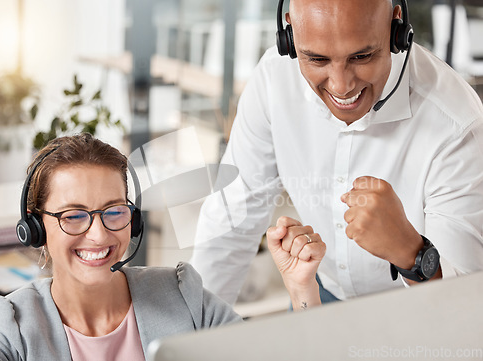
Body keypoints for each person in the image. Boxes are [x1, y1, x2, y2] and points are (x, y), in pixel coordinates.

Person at [190, 0, 483, 305]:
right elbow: (232, 216)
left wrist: (411, 252)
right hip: (320, 294)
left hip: (415, 311)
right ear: (290, 35)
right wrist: (192, 333)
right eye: (316, 59)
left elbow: (463, 305)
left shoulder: (457, 124)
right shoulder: (274, 78)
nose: (341, 86)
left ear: (396, 30)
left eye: (362, 56)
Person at [0, 134, 242, 360]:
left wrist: (286, 279)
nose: (98, 235)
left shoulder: (184, 297)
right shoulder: (14, 326)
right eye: (73, 216)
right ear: (36, 227)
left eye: (115, 211)